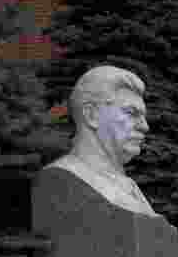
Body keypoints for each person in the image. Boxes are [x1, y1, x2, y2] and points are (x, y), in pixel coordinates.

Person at [47, 65, 155, 216]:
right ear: (91, 115)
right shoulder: (64, 177)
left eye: (143, 116)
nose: (145, 126)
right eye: (131, 113)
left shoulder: (129, 186)